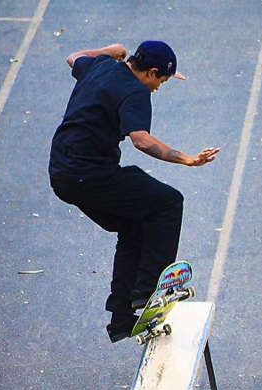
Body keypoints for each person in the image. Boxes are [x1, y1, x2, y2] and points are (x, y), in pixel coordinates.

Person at [49, 41, 219, 342]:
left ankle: (122, 317)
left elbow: (73, 56)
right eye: (161, 81)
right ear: (152, 72)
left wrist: (109, 49)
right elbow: (141, 140)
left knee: (135, 224)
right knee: (169, 202)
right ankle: (152, 289)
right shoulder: (135, 91)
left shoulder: (101, 66)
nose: (158, 88)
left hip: (63, 172)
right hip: (90, 174)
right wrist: (187, 159)